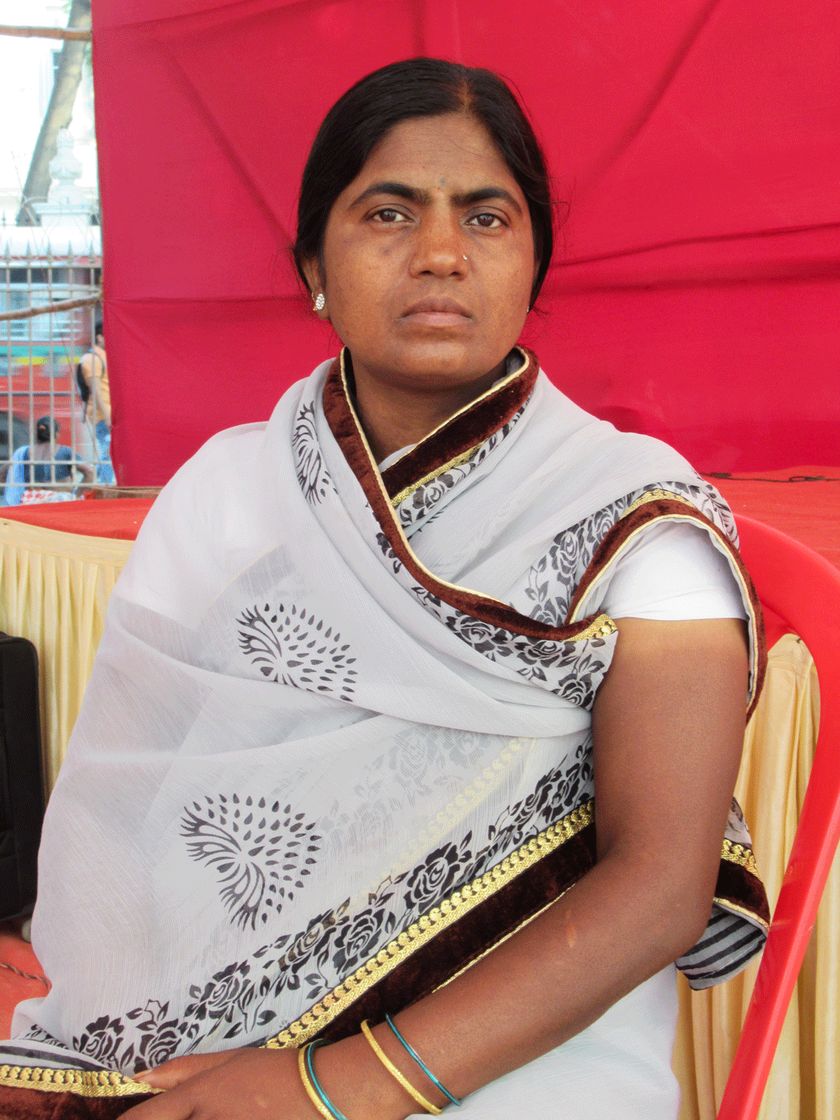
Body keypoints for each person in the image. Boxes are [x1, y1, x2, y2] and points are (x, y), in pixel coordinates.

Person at [0, 59, 768, 1119]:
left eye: (487, 217)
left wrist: (330, 1085)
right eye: (389, 212)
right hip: (218, 1035)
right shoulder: (225, 492)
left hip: (525, 1051)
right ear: (313, 259)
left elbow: (659, 892)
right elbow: (141, 823)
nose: (442, 254)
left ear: (534, 260)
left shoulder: (636, 520)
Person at [3, 416, 93, 506]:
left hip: (30, 504)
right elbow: (89, 472)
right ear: (57, 434)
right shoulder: (65, 452)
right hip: (58, 503)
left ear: (36, 434)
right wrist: (76, 495)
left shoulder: (23, 453)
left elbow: (3, 474)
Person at [77, 321, 117, 485]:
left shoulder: (102, 357)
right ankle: (101, 486)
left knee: (109, 453)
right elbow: (97, 392)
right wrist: (108, 418)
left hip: (106, 413)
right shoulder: (92, 359)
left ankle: (100, 484)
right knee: (108, 454)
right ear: (100, 337)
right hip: (102, 416)